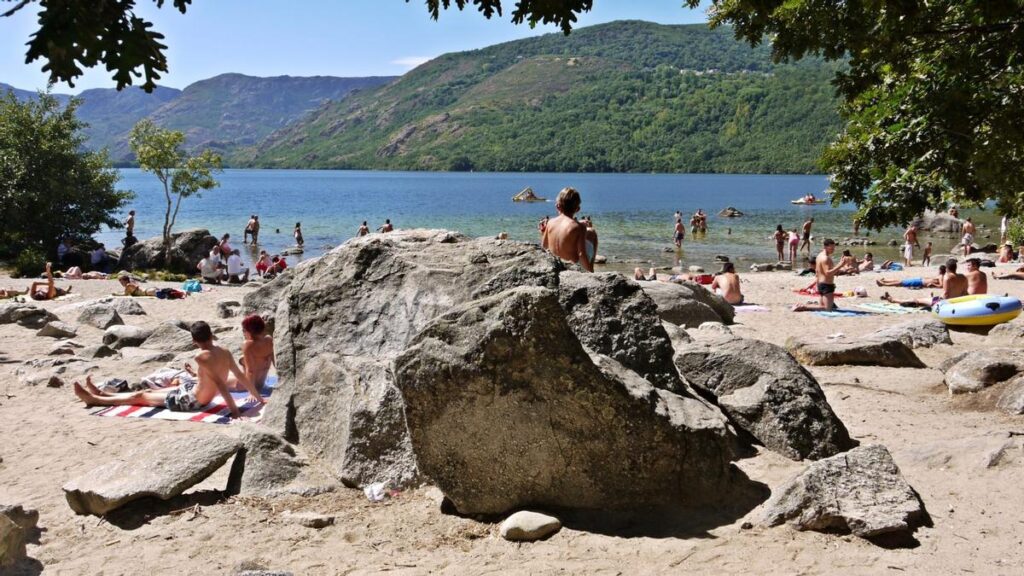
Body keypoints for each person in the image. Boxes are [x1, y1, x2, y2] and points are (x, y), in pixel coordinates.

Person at [72, 321, 263, 418]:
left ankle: (95, 399)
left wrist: (235, 412)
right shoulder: (225, 351)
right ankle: (102, 393)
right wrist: (259, 397)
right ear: (212, 336)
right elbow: (241, 376)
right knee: (146, 391)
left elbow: (221, 385)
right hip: (191, 393)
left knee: (141, 397)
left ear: (194, 341)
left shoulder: (201, 356)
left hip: (192, 401)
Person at [541, 187, 593, 272]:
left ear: (558, 206)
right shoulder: (579, 227)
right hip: (572, 267)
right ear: (578, 209)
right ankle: (591, 268)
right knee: (592, 234)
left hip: (556, 265)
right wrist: (590, 273)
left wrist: (542, 233)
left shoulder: (550, 222)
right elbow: (581, 254)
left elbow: (544, 247)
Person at [883, 259, 967, 308]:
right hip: (957, 302)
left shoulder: (947, 277)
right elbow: (964, 292)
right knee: (927, 299)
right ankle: (930, 299)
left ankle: (894, 300)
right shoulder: (963, 277)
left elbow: (946, 294)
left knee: (917, 299)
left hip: (945, 303)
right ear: (955, 268)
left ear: (947, 268)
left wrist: (939, 301)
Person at [792, 239, 843, 311]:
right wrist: (840, 265)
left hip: (820, 284)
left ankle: (803, 306)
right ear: (825, 247)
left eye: (834, 248)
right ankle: (803, 307)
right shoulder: (826, 258)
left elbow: (819, 271)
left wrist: (837, 270)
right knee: (827, 308)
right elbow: (827, 273)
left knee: (822, 306)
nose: (833, 250)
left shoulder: (819, 256)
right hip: (826, 285)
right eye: (831, 248)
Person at [232, 314, 274, 392]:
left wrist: (252, 392)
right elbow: (274, 362)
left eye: (244, 330)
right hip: (261, 384)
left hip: (246, 385)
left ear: (249, 331)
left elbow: (250, 370)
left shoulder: (248, 345)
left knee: (218, 380)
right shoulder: (269, 340)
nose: (244, 333)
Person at [875, 265, 947, 289]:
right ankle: (884, 281)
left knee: (900, 283)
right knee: (901, 281)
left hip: (920, 282)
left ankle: (883, 284)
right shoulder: (941, 276)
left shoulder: (941, 276)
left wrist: (933, 284)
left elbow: (941, 286)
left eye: (939, 269)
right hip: (920, 280)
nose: (938, 271)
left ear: (941, 270)